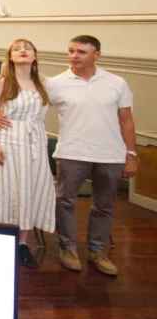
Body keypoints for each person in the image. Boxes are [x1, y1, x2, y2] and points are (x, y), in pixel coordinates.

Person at [45, 35, 136, 276]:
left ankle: (98, 252)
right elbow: (32, 109)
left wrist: (132, 153)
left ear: (97, 54)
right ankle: (68, 249)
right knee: (65, 201)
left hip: (110, 155)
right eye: (71, 51)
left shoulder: (116, 82)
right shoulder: (55, 84)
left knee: (104, 205)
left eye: (81, 52)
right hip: (71, 152)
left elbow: (126, 120)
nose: (74, 56)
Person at [0, 39, 55, 269]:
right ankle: (1, 239)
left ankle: (23, 244)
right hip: (8, 141)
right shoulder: (3, 82)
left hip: (35, 143)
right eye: (17, 48)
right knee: (6, 191)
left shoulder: (42, 83)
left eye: (28, 48)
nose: (23, 51)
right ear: (10, 57)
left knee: (30, 191)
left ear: (35, 56)